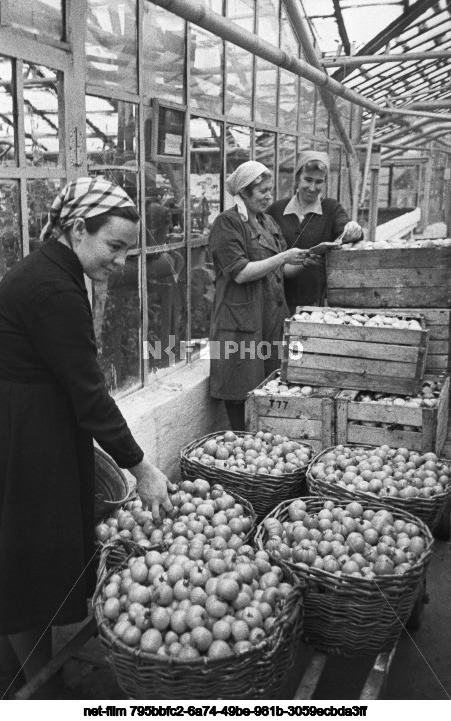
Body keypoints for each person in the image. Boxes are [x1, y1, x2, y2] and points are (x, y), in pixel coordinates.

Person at [0, 177, 172, 698]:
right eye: (114, 246)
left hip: (27, 418)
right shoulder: (55, 287)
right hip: (28, 433)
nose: (121, 262)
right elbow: (90, 393)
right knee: (30, 562)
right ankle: (40, 691)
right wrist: (141, 466)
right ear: (78, 229)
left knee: (22, 552)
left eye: (128, 250)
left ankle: (18, 677)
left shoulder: (53, 268)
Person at [208, 160, 310, 431]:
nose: (268, 196)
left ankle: (261, 438)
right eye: (262, 191)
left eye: (270, 190)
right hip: (240, 319)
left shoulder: (267, 221)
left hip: (271, 314)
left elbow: (282, 271)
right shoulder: (227, 224)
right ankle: (241, 439)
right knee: (240, 382)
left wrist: (305, 260)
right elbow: (240, 273)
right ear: (244, 192)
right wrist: (284, 256)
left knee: (270, 380)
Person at [266, 150, 363, 313]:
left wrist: (353, 230)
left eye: (319, 182)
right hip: (276, 301)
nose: (312, 187)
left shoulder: (330, 208)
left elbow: (344, 228)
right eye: (308, 180)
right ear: (297, 178)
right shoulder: (276, 210)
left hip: (314, 302)